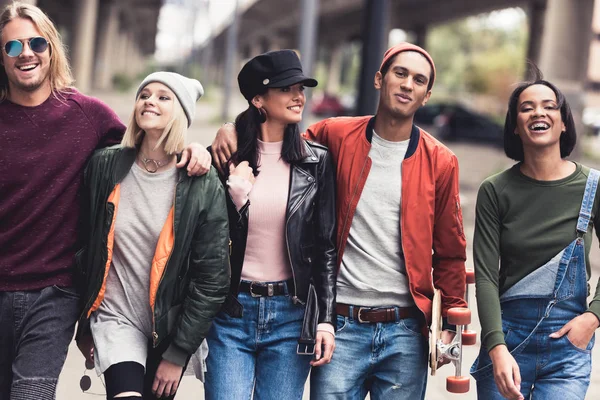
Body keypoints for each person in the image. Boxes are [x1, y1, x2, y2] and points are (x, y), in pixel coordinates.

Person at [211, 43, 467, 400]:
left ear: (427, 95)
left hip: (406, 332)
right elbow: (273, 142)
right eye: (400, 73)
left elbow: (451, 251)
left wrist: (452, 321)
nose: (408, 84)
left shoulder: (440, 161)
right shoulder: (335, 135)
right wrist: (230, 129)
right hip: (340, 325)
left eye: (419, 80)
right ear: (379, 79)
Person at [0, 3, 210, 399]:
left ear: (51, 49)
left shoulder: (88, 116)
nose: (25, 53)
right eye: (12, 47)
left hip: (55, 291)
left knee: (31, 393)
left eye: (36, 43)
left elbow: (150, 149)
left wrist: (194, 148)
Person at [75, 72, 231, 400]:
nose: (149, 101)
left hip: (169, 329)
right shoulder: (105, 166)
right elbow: (83, 244)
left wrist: (178, 353)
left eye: (163, 97)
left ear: (181, 113)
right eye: (144, 94)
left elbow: (212, 279)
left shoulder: (200, 182)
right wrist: (84, 318)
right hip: (116, 318)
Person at [203, 49, 337, 400]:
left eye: (301, 88)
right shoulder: (223, 157)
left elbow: (324, 247)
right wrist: (235, 201)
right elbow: (205, 238)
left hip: (291, 317)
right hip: (231, 313)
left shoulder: (316, 162)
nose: (298, 96)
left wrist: (323, 318)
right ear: (258, 99)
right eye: (286, 89)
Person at [470, 71, 600, 399]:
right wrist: (496, 348)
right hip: (506, 338)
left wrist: (594, 317)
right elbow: (485, 278)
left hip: (567, 346)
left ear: (564, 122)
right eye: (526, 108)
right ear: (515, 126)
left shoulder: (592, 187)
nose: (538, 112)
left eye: (549, 106)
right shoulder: (494, 191)